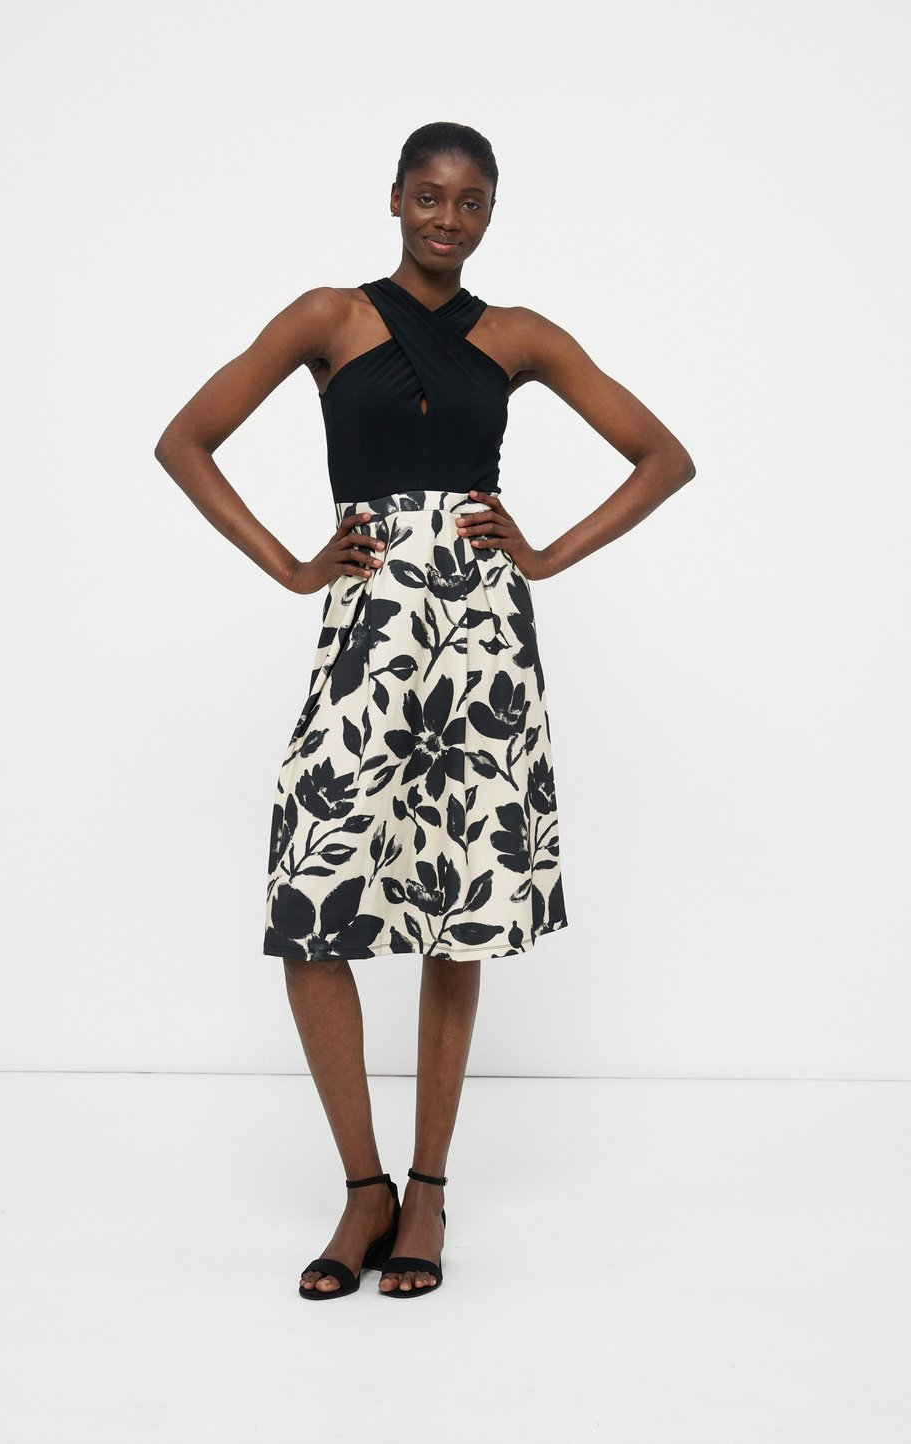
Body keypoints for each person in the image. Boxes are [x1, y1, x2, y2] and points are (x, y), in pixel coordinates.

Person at [154, 121, 695, 1301]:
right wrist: (293, 567)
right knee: (312, 902)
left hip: (482, 645)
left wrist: (542, 554)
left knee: (459, 903)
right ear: (395, 198)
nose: (449, 219)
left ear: (489, 213)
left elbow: (663, 456)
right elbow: (183, 440)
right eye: (430, 197)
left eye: (471, 202)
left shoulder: (518, 336)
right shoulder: (327, 317)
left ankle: (429, 1192)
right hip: (365, 640)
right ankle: (364, 1190)